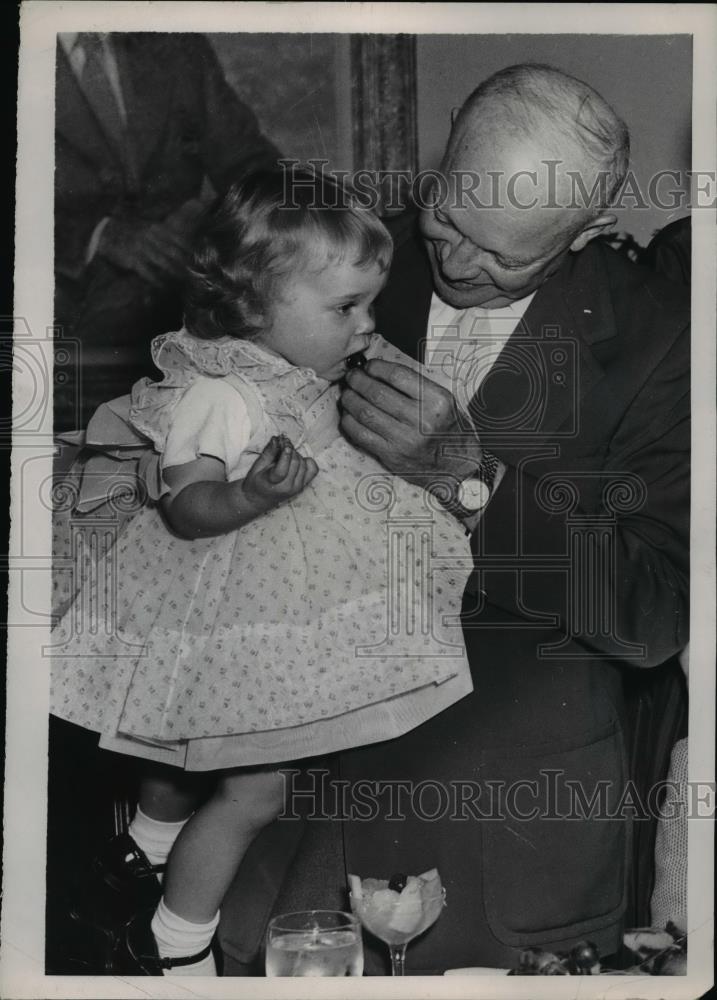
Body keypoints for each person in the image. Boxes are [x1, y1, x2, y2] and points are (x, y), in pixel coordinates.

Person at [217, 64, 690, 975]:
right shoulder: (329, 258)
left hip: (502, 824)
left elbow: (656, 614)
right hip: (290, 808)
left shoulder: (664, 332)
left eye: (505, 255)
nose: (456, 262)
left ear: (588, 230)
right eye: (444, 218)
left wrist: (470, 484)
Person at [50, 170, 476, 975]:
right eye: (343, 308)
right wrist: (249, 492)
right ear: (255, 308)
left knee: (193, 768)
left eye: (368, 303)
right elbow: (187, 505)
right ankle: (172, 946)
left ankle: (134, 864)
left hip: (274, 607)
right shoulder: (222, 392)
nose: (365, 324)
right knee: (255, 793)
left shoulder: (296, 363)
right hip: (229, 606)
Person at [54, 32, 280, 430]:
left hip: (180, 304)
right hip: (57, 318)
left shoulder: (176, 46)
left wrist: (207, 220)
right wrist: (98, 235)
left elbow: (254, 166)